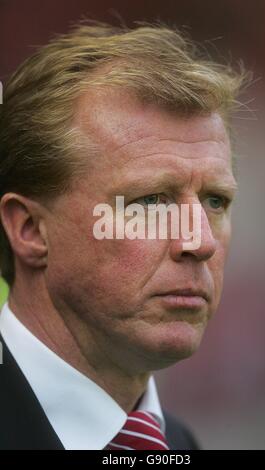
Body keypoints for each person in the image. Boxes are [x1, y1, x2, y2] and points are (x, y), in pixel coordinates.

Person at [0, 21, 243, 450]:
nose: (200, 242)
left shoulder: (179, 443)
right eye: (150, 201)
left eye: (215, 201)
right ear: (30, 230)